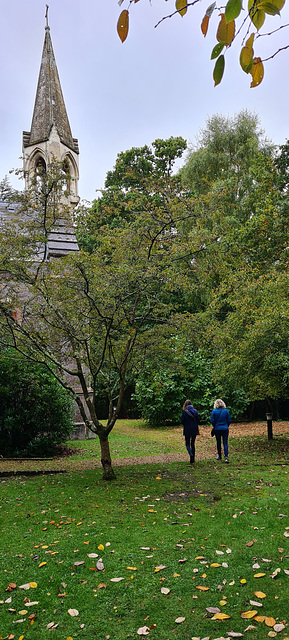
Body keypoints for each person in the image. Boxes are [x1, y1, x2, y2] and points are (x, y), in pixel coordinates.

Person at [210, 398, 231, 463]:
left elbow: (212, 421)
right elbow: (229, 420)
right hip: (225, 428)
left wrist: (215, 426)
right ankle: (226, 457)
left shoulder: (214, 411)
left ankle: (219, 455)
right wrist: (226, 425)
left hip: (217, 429)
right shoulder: (226, 411)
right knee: (225, 442)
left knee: (218, 442)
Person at [181, 399, 200, 464]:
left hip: (187, 429)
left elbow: (182, 421)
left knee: (187, 444)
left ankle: (190, 454)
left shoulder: (184, 411)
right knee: (193, 443)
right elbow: (198, 420)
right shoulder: (195, 411)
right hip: (194, 429)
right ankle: (193, 458)